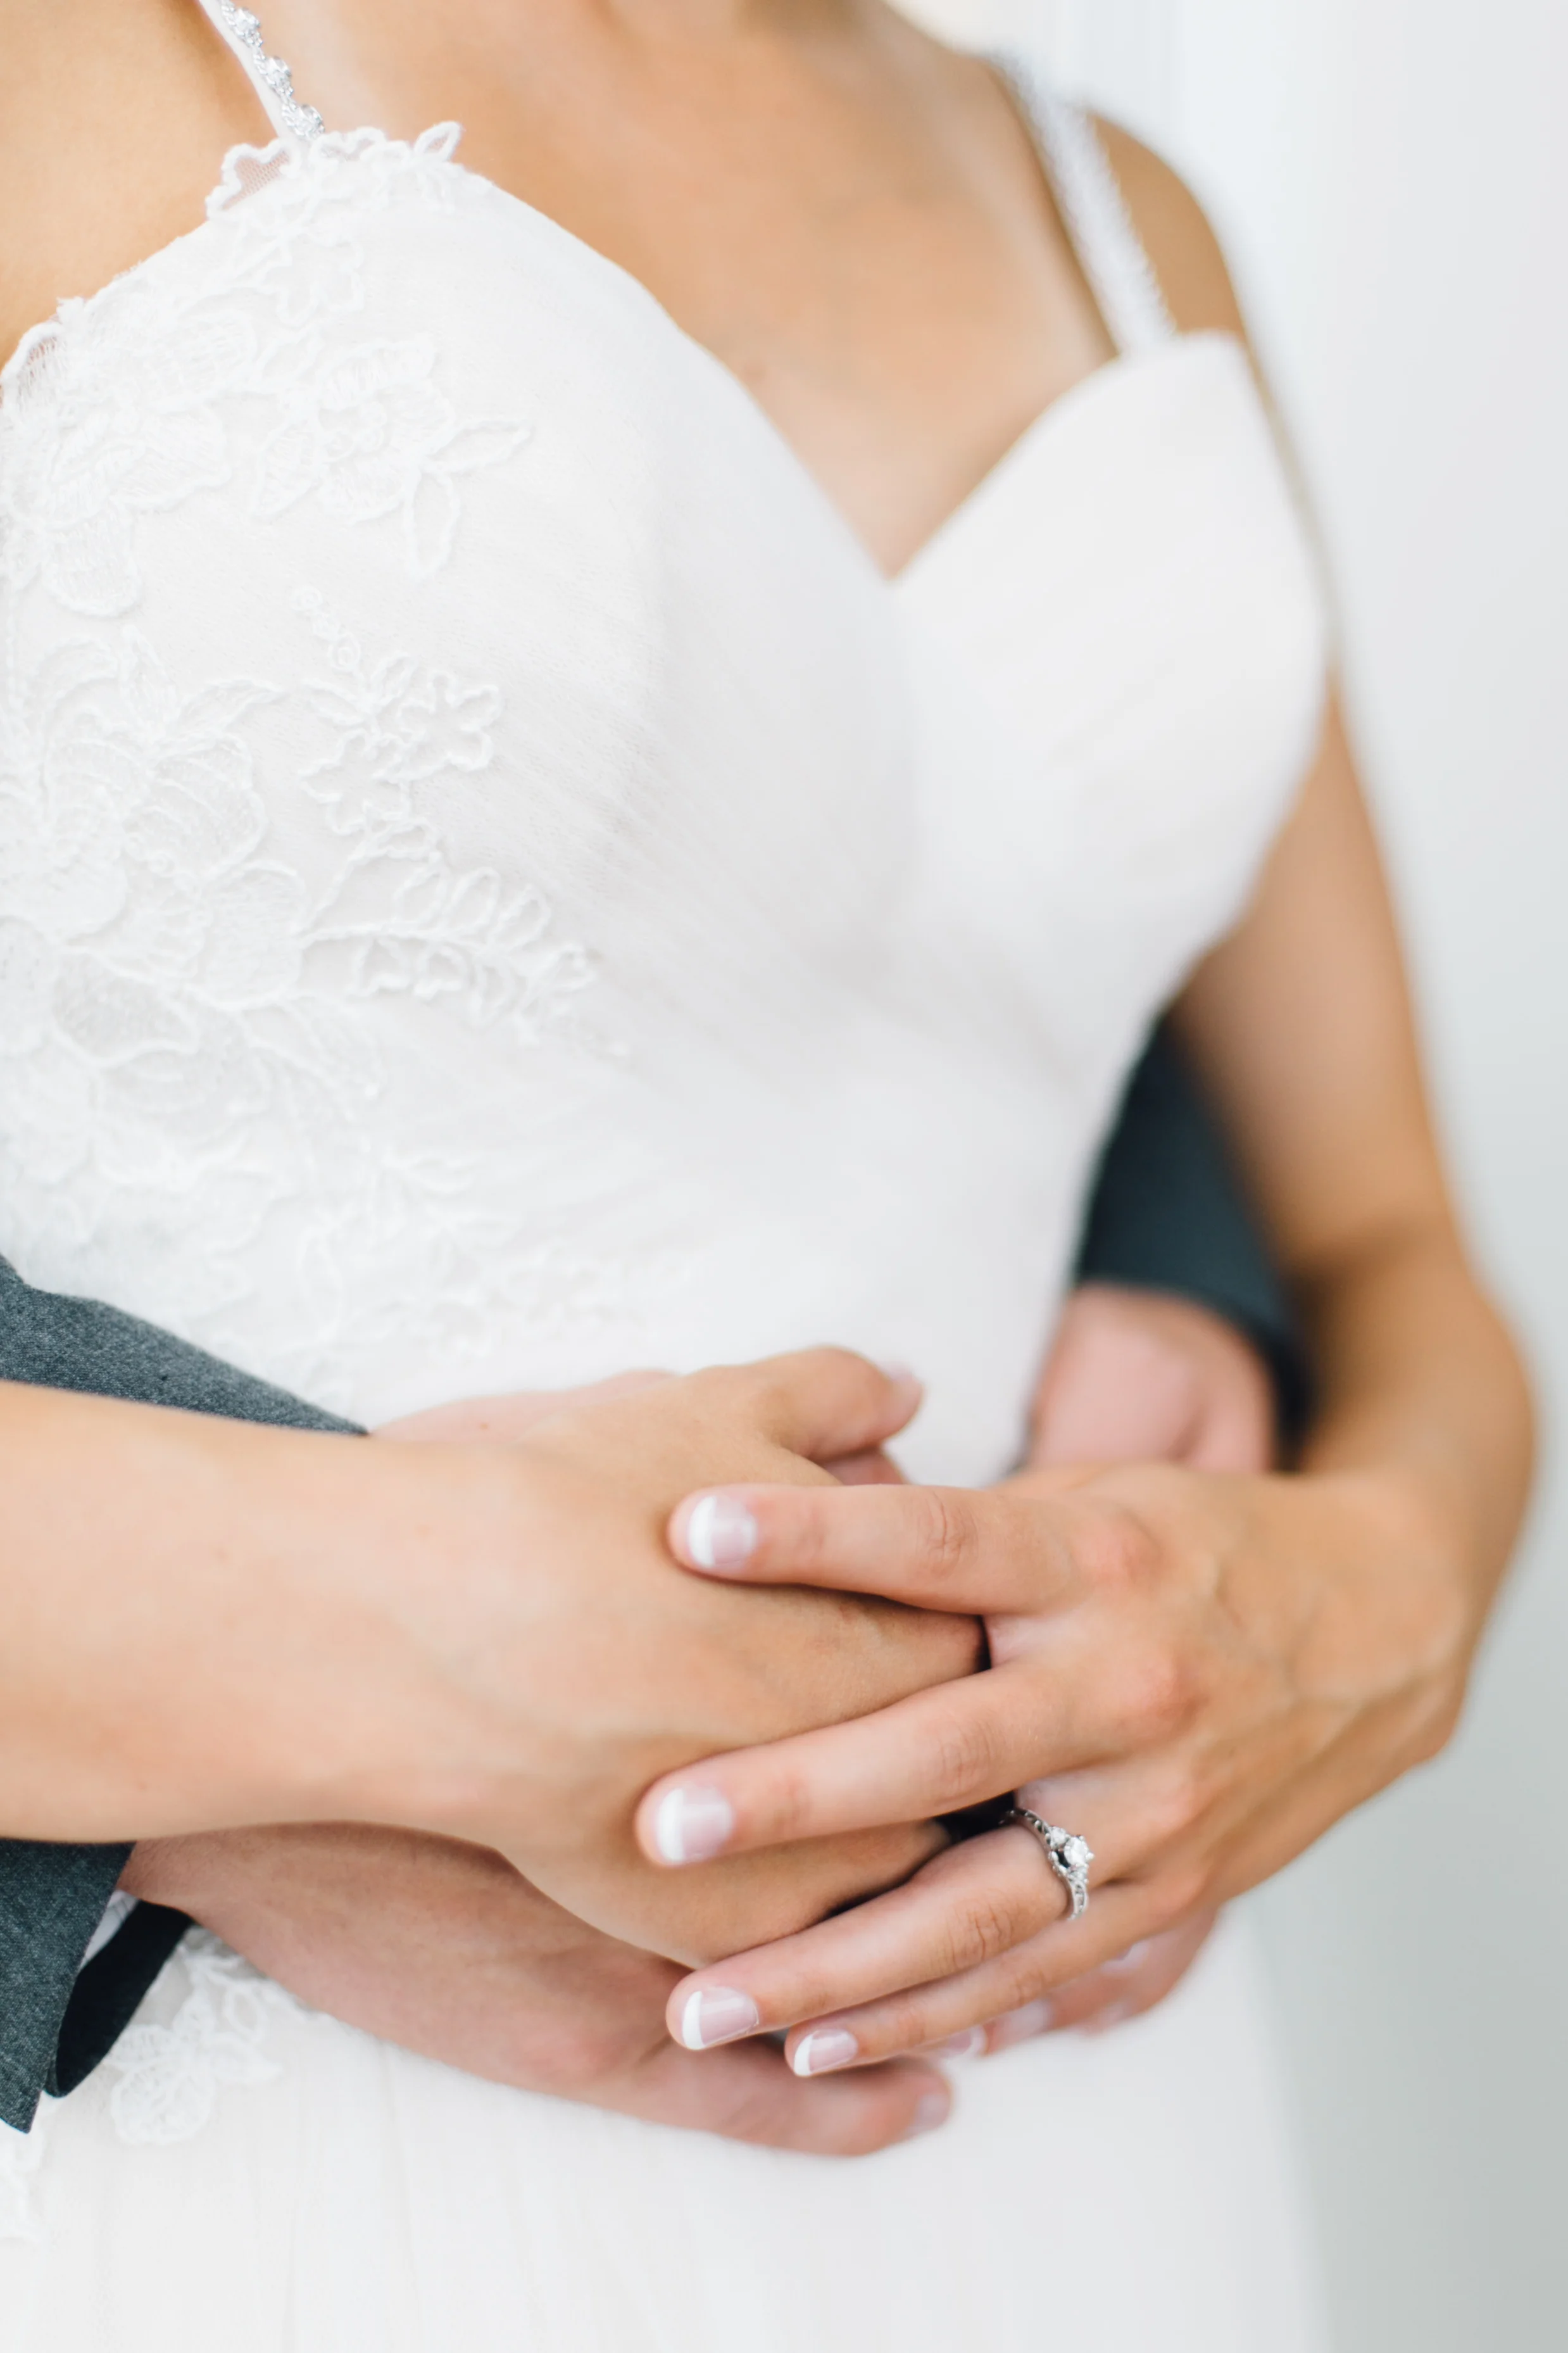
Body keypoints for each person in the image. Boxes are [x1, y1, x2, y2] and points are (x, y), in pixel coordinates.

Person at [0, 1, 1529, 2347]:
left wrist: (1373, 1595)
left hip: (1051, 2114)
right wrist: (328, 1680)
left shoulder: (1133, 224)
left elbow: (1382, 1240)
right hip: (230, 2135)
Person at [0, 1023, 1292, 2142]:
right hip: (265, 2065)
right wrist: (315, 1714)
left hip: (1084, 2049)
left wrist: (1314, 1572)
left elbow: (1375, 1235)